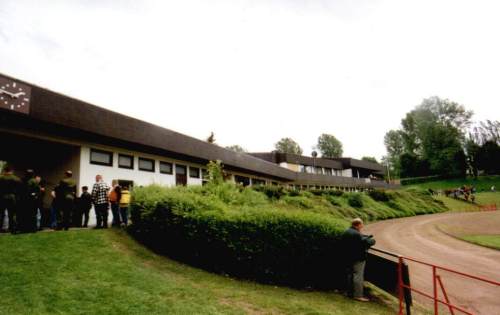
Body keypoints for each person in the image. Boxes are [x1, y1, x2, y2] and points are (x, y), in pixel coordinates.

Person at [342, 218, 376, 302]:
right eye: (362, 224)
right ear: (358, 225)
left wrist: (364, 236)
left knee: (350, 275)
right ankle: (358, 295)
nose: (362, 225)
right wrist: (372, 240)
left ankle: (349, 292)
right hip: (358, 258)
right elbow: (368, 242)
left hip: (348, 256)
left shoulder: (347, 231)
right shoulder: (357, 234)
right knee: (358, 276)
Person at [0, 166, 21, 233]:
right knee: (12, 214)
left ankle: (1, 228)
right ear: (11, 171)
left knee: (1, 213)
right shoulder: (16, 179)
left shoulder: (1, 178)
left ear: (4, 170)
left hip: (2, 197)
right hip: (12, 197)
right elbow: (20, 188)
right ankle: (12, 228)